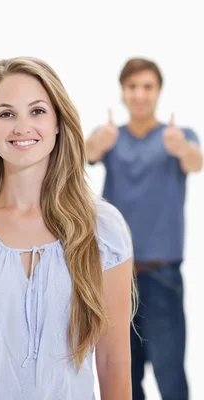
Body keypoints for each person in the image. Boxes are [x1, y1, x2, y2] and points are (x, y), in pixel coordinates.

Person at [0, 57, 135, 400]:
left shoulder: (103, 231)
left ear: (58, 122)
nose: (22, 127)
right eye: (6, 114)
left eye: (37, 111)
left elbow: (113, 362)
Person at [86, 57, 202, 400]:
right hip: (116, 276)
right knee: (123, 377)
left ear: (158, 92)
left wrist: (182, 148)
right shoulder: (109, 137)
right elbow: (86, 153)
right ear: (123, 92)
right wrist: (99, 143)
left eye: (147, 87)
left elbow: (196, 161)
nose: (140, 94)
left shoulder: (177, 137)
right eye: (133, 87)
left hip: (162, 274)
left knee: (171, 376)